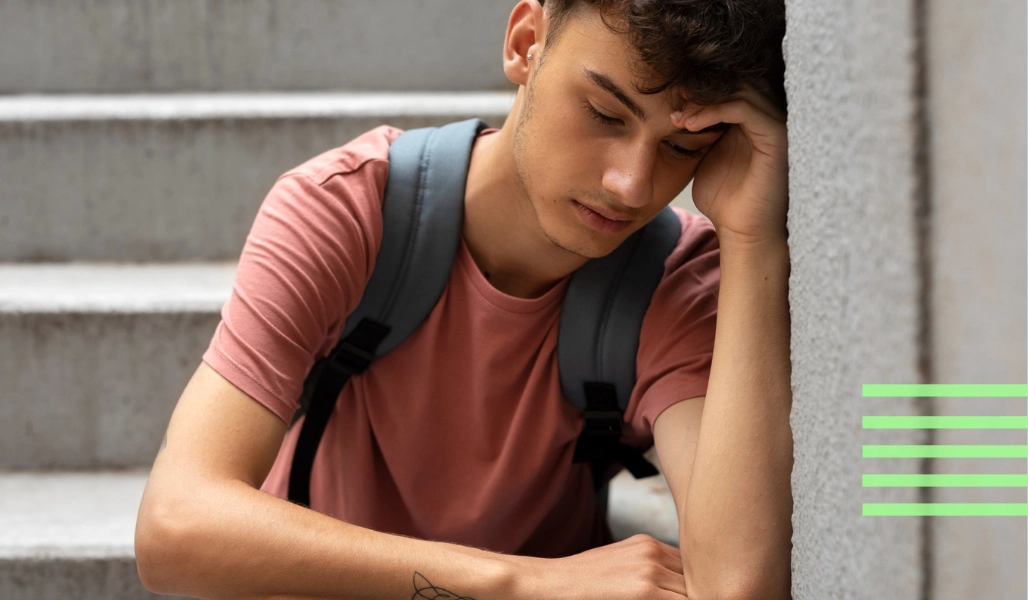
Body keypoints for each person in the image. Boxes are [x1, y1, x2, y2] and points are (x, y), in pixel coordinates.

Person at [135, 0, 793, 598]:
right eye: (603, 114)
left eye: (680, 147)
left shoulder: (675, 279)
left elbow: (738, 585)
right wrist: (520, 583)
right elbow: (176, 525)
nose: (630, 184)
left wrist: (754, 235)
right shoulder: (349, 210)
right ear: (526, 42)